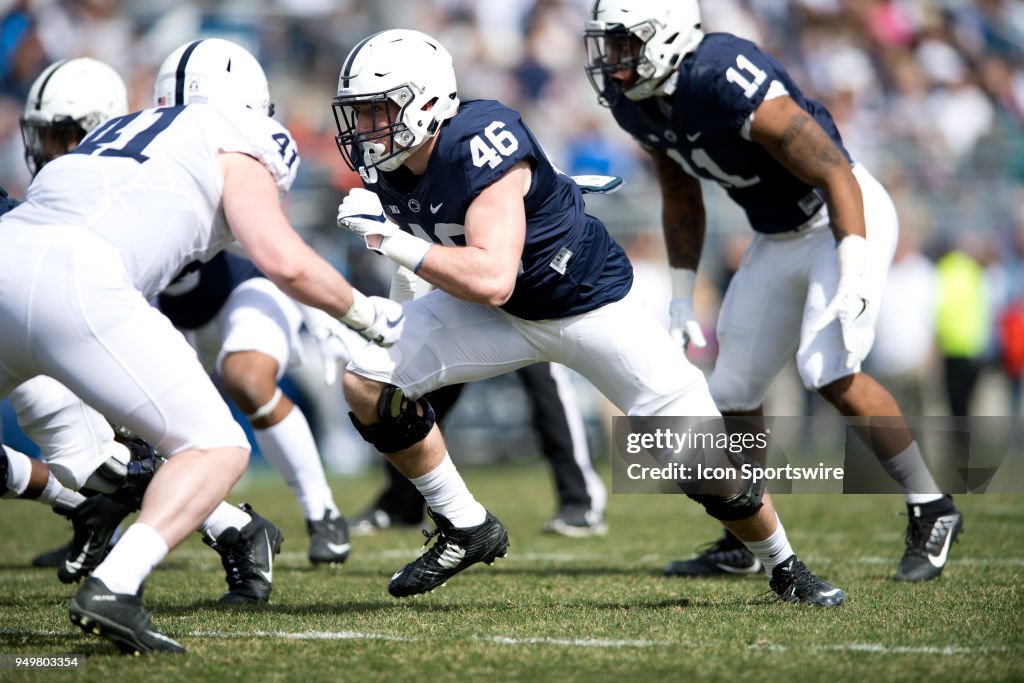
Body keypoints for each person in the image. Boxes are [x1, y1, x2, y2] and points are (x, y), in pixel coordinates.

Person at [332, 29, 842, 605]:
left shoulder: (478, 141)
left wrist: (388, 239)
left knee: (704, 464)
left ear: (424, 102)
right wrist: (399, 323)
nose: (367, 126)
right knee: (368, 378)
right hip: (498, 313)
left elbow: (492, 276)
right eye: (361, 111)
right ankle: (464, 525)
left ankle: (783, 565)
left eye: (379, 108)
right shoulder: (393, 163)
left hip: (585, 303)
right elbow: (435, 267)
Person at [0, 38, 403, 655]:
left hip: (13, 249)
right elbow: (279, 256)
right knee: (216, 445)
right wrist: (366, 313)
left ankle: (583, 494)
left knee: (95, 454)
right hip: (79, 279)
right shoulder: (237, 133)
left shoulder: (128, 127)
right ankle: (116, 584)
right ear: (253, 104)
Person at [583, 0, 962, 582]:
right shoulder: (639, 104)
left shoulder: (721, 75)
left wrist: (854, 268)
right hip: (777, 234)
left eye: (625, 43)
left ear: (667, 37)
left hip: (841, 214)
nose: (613, 61)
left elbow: (835, 169)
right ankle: (746, 533)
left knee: (826, 368)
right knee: (733, 385)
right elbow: (679, 192)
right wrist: (682, 292)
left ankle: (932, 505)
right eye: (607, 46)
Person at [3, 56, 291, 604]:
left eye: (64, 136)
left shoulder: (150, 190)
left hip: (85, 306)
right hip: (36, 292)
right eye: (41, 136)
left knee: (174, 447)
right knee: (84, 458)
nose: (47, 152)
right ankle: (218, 526)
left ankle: (232, 531)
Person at [158, 250, 352, 565]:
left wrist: (319, 321)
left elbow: (278, 247)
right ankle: (100, 533)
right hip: (158, 310)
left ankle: (322, 512)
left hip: (241, 290)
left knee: (248, 380)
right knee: (129, 413)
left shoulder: (207, 200)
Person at [351, 363, 608, 538]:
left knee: (545, 385)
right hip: (466, 304)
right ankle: (401, 502)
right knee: (427, 389)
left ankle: (580, 499)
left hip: (528, 302)